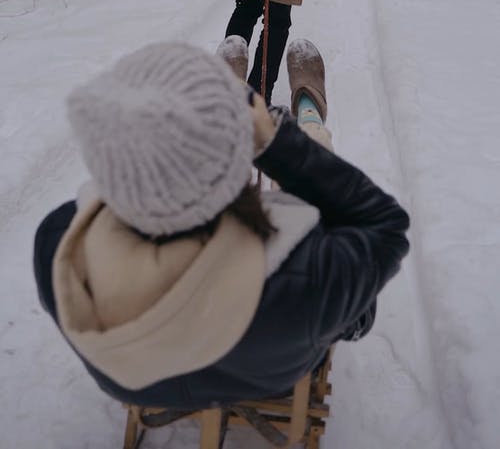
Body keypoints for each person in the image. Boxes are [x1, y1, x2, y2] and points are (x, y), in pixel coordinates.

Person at [33, 35, 410, 412]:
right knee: (333, 228)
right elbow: (384, 225)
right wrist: (276, 143)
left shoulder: (59, 243)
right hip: (271, 373)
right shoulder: (307, 277)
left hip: (147, 387)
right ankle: (309, 115)